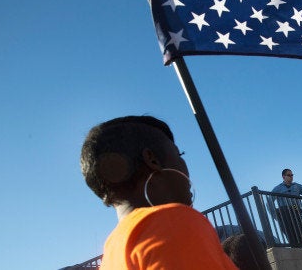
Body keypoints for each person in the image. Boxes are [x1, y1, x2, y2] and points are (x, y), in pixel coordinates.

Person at [80, 115, 237, 269]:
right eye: (179, 154)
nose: (184, 164)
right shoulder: (172, 223)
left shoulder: (112, 253)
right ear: (152, 160)